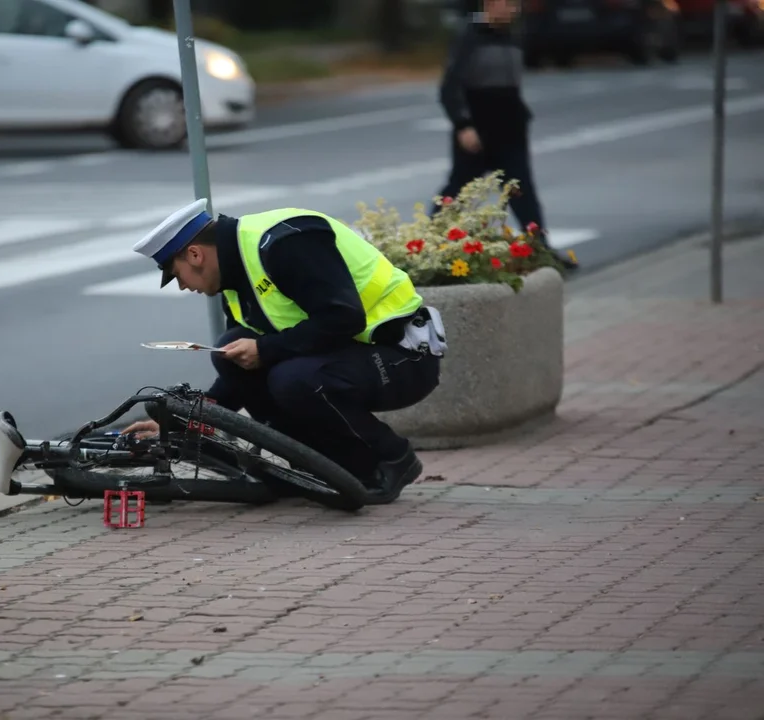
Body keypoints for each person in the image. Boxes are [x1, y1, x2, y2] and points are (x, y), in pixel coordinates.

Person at [120, 198, 447, 505]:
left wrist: (265, 348)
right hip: (350, 355)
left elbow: (345, 317)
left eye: (176, 276)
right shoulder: (235, 280)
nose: (183, 287)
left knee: (293, 380)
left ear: (195, 254)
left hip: (401, 355)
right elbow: (240, 377)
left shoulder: (283, 244)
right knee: (231, 351)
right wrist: (188, 420)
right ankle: (335, 465)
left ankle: (392, 457)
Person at [434, 0, 578, 270]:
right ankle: (428, 243)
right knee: (459, 191)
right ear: (490, 4)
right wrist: (463, 124)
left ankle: (540, 250)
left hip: (510, 129)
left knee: (522, 192)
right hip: (477, 131)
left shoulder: (512, 37)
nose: (513, 10)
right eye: (507, 4)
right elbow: (450, 88)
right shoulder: (470, 37)